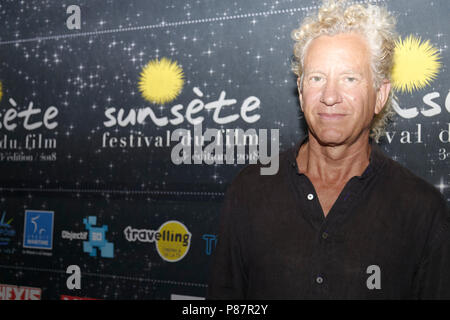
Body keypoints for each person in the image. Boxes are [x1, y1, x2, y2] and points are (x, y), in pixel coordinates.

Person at [207, 0, 450, 299]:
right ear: (300, 89)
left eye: (349, 78)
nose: (330, 96)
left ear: (380, 95)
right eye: (317, 78)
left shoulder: (422, 211)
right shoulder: (249, 190)